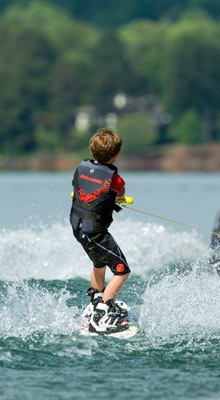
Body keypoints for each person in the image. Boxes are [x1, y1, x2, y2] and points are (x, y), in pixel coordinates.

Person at [70, 128, 131, 334]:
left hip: (78, 228)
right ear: (115, 155)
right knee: (122, 271)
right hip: (96, 231)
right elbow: (120, 192)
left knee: (99, 262)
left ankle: (96, 301)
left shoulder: (80, 169)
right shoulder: (116, 178)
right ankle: (103, 313)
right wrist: (120, 199)